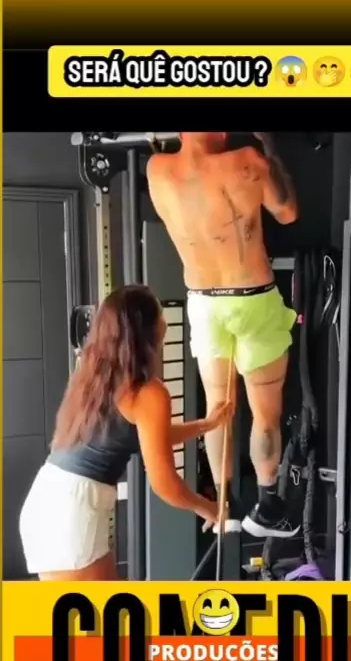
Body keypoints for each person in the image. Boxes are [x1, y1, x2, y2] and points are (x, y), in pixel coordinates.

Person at [19, 285, 231, 581]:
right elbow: (164, 484)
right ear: (147, 330)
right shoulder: (149, 394)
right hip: (73, 515)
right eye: (160, 313)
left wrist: (205, 425)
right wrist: (207, 507)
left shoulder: (93, 376)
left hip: (47, 501)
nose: (165, 321)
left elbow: (150, 437)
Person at [147, 132, 300, 538]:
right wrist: (270, 145)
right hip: (252, 299)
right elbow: (287, 211)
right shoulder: (247, 161)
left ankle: (222, 508)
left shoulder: (156, 170)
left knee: (218, 410)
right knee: (265, 414)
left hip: (203, 302)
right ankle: (267, 507)